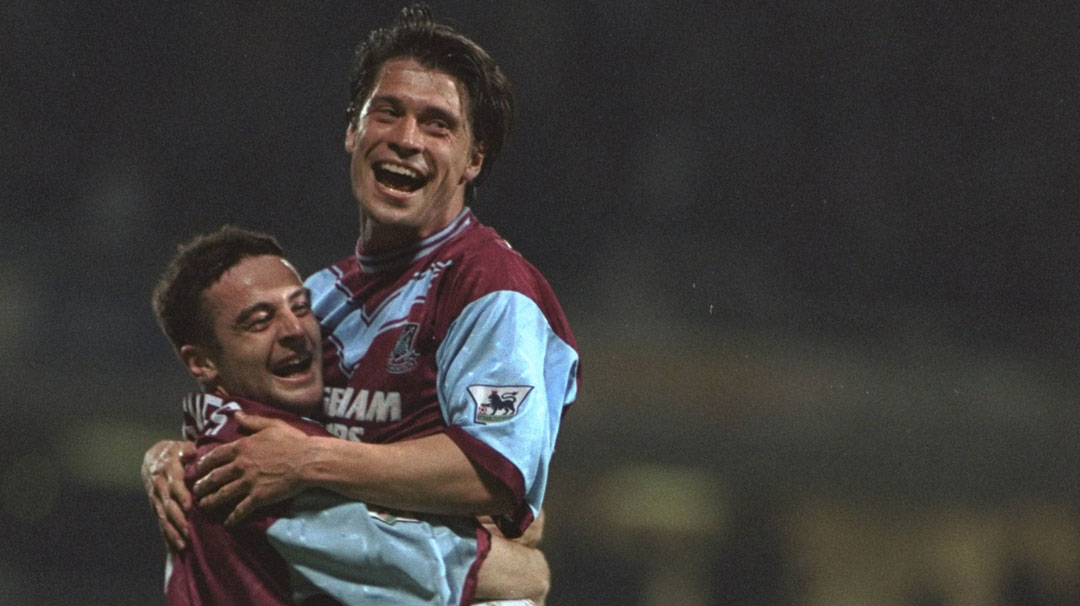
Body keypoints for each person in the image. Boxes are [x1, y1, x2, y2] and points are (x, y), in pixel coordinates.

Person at [144, 2, 579, 596]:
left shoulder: (492, 288)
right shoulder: (314, 298)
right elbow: (249, 437)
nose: (405, 139)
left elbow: (495, 472)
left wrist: (306, 463)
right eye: (388, 113)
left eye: (437, 124)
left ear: (473, 160)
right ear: (353, 130)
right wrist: (173, 457)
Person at [152, 225, 548, 605]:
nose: (294, 329)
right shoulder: (255, 473)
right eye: (259, 321)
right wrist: (524, 557)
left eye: (301, 307)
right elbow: (516, 575)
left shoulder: (225, 444)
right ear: (201, 362)